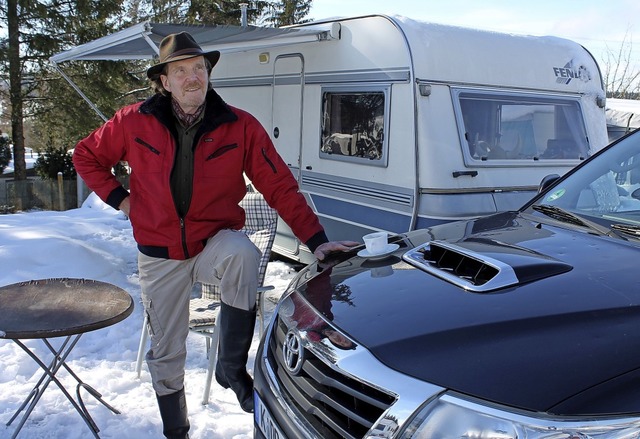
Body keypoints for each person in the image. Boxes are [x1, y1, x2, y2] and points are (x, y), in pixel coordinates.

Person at [73, 32, 358, 439]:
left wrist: (316, 240)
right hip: (160, 255)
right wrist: (122, 199)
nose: (193, 78)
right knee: (167, 355)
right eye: (182, 71)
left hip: (212, 244)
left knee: (242, 252)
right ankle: (177, 430)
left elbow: (279, 186)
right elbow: (85, 156)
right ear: (164, 81)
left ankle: (231, 366)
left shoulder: (239, 126)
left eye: (200, 69)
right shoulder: (133, 122)